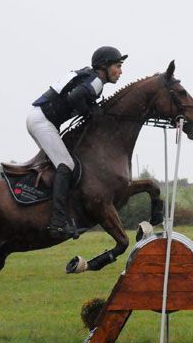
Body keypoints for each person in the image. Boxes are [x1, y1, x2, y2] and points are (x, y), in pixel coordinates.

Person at [27, 45, 127, 239]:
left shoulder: (90, 76)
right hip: (42, 121)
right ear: (104, 66)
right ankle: (57, 223)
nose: (120, 71)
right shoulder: (97, 80)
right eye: (117, 66)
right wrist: (90, 112)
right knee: (66, 165)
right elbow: (76, 97)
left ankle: (46, 208)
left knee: (61, 164)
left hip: (40, 119)